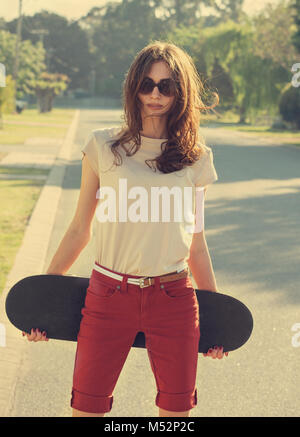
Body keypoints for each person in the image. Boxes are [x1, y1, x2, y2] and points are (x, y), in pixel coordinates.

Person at [23, 41, 228, 418]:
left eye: (166, 86)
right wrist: (42, 296)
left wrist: (218, 316)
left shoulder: (196, 157)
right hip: (108, 296)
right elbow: (78, 229)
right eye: (147, 84)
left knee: (176, 415)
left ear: (180, 91)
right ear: (134, 86)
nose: (154, 94)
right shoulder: (103, 145)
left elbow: (195, 243)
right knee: (85, 409)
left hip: (174, 299)